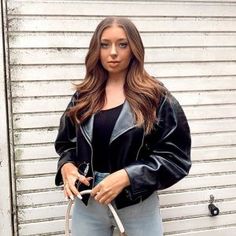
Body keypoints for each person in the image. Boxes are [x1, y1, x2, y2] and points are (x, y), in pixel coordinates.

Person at [55, 17, 191, 236]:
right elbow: (66, 144)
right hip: (88, 201)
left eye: (123, 44)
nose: (113, 52)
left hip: (136, 204)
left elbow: (176, 157)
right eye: (105, 44)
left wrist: (128, 176)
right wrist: (68, 167)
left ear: (134, 48)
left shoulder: (155, 97)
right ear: (96, 49)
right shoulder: (84, 96)